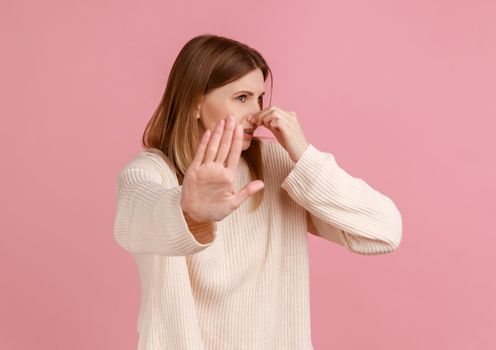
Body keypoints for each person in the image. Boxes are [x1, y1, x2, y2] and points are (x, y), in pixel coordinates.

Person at [113, 34, 403, 350]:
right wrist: (188, 210)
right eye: (241, 98)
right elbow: (135, 221)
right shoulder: (151, 172)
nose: (257, 114)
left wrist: (305, 155)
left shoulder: (276, 166)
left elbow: (384, 231)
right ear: (196, 101)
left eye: (259, 99)